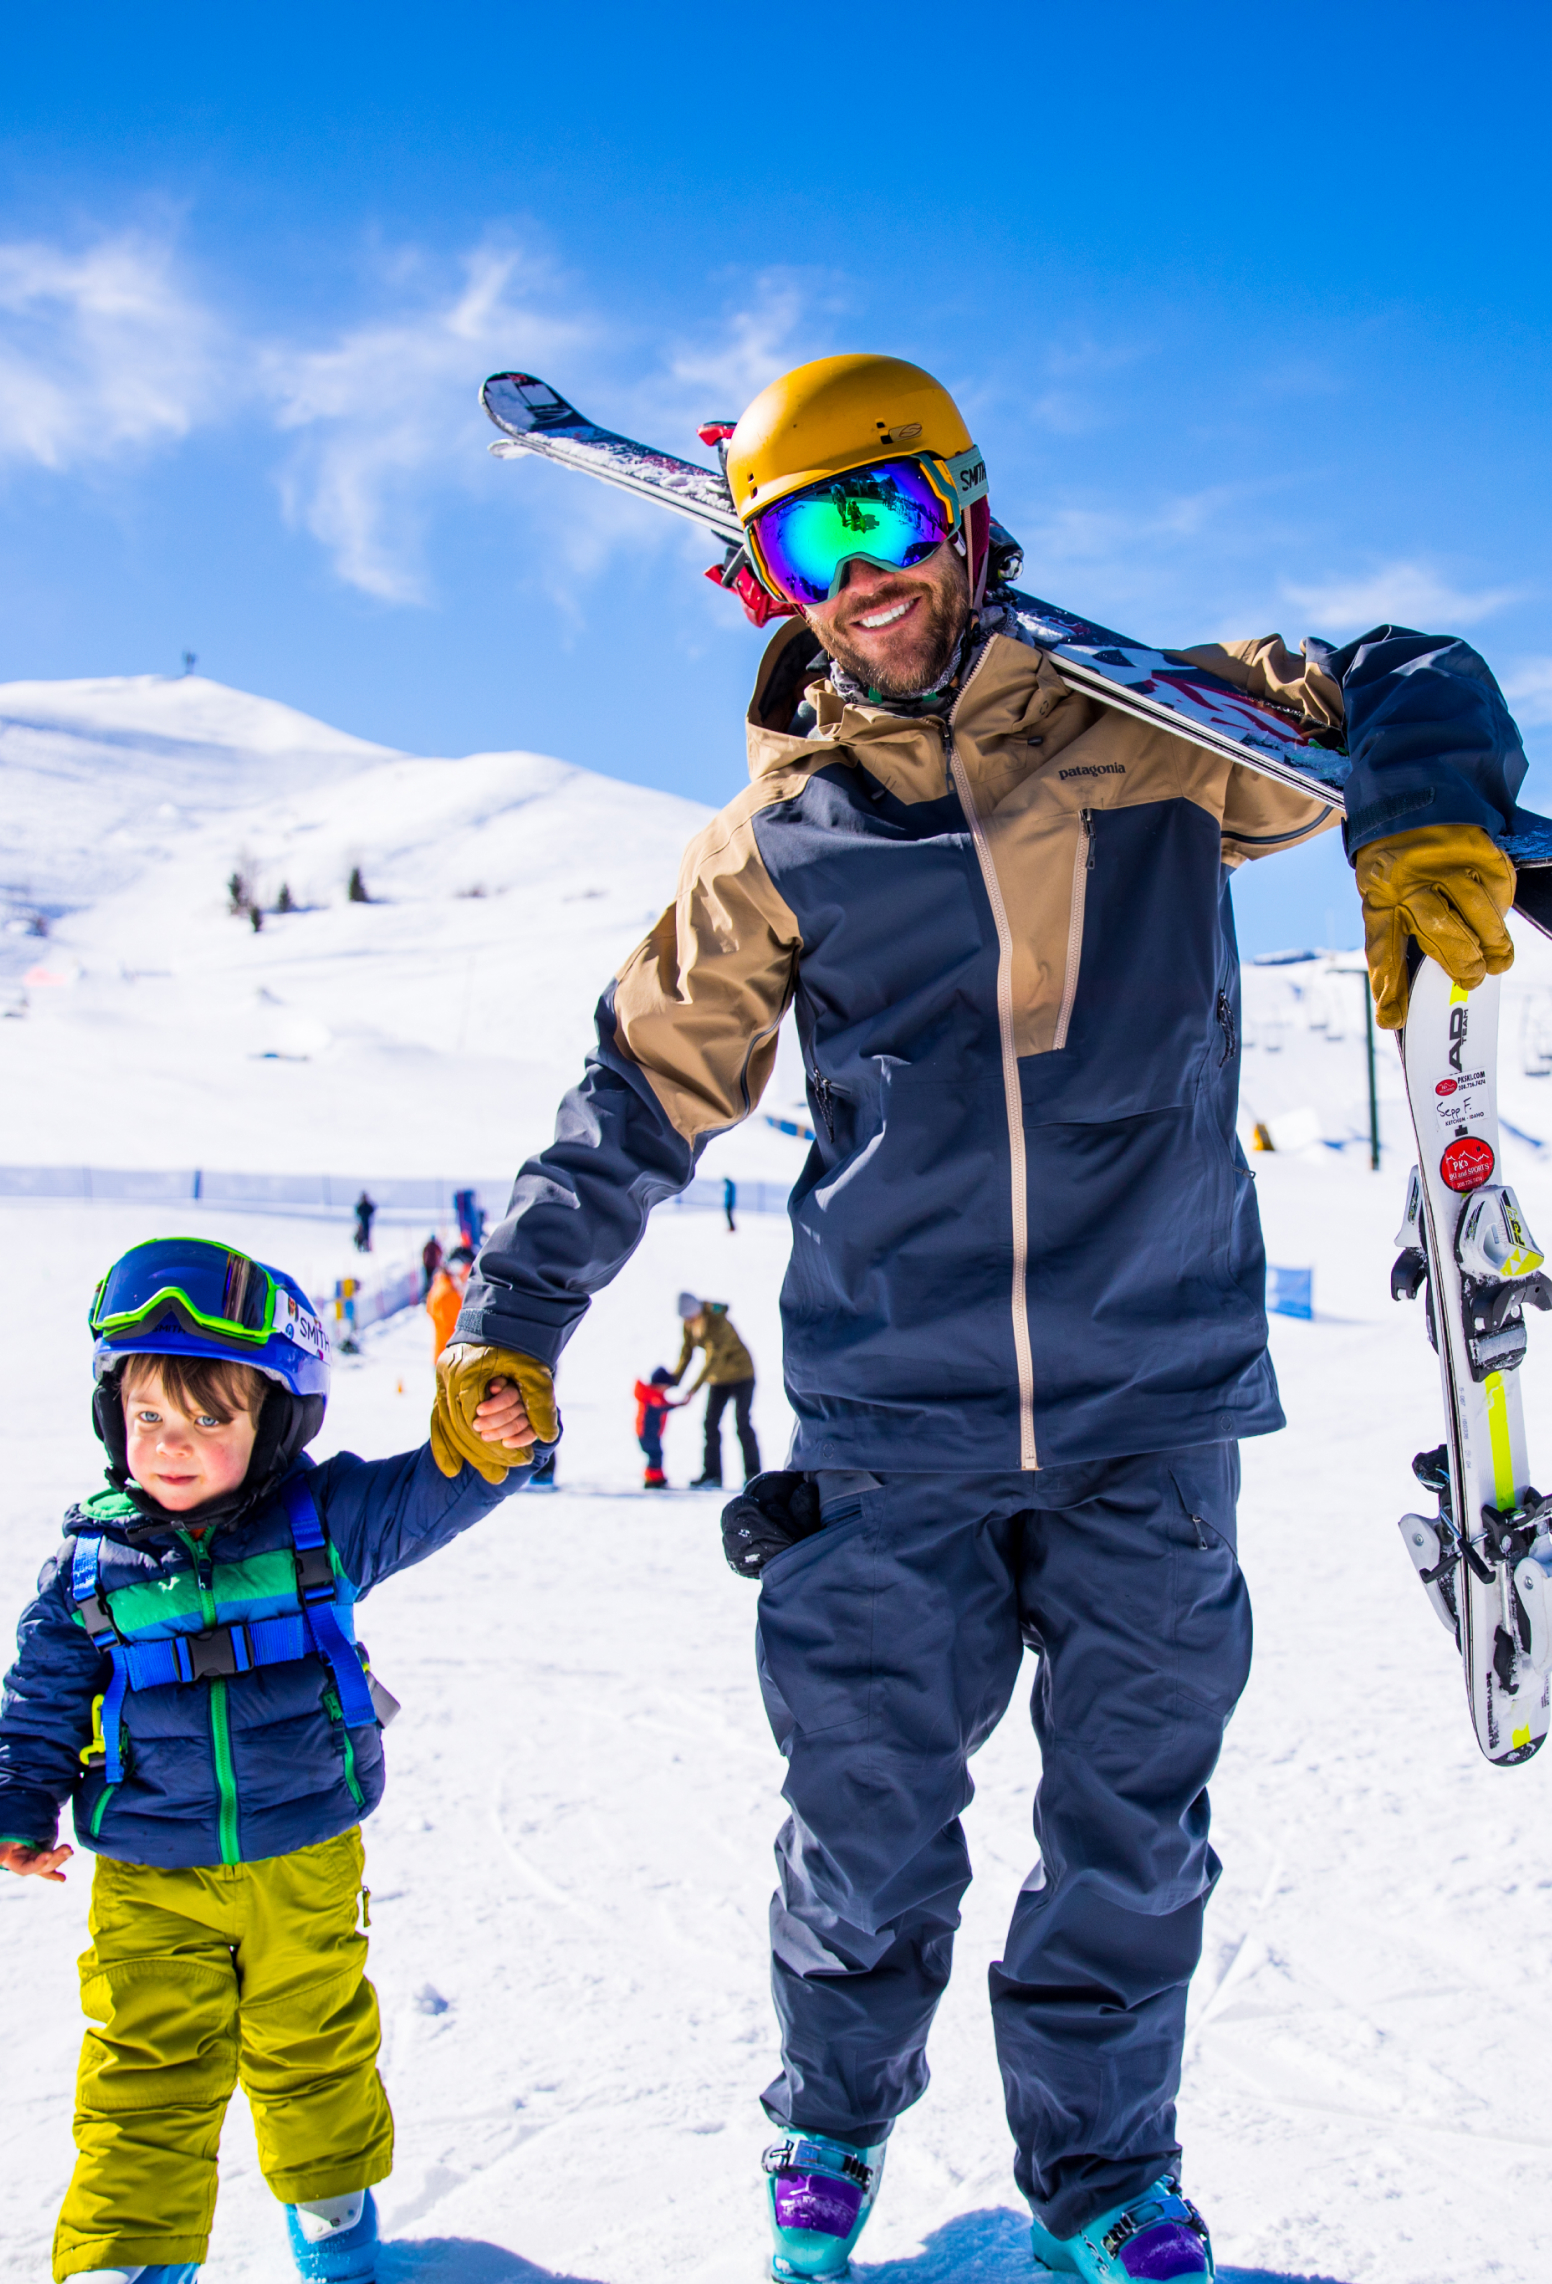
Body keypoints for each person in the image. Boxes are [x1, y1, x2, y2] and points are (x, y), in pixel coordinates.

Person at [438, 353, 1524, 2283]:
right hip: (888, 1425)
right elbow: (635, 1096)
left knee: (1130, 1834)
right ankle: (829, 2121)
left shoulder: (1159, 733)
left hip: (1150, 1402)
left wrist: (1418, 808)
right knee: (863, 1826)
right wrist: (515, 1313)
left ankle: (1102, 2175)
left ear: (961, 509)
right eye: (805, 532)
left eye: (888, 511)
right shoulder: (776, 841)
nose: (862, 568)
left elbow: (1405, 667)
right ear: (761, 575)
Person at [0, 1236, 541, 2284]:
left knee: (314, 2041)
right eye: (148, 1414)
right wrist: (19, 1803)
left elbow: (436, 1492)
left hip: (302, 1857)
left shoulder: (322, 1526)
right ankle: (127, 2254)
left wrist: (486, 1438)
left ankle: (332, 2203)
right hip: (151, 1877)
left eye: (211, 1418)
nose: (172, 1443)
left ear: (276, 1424)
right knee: (144, 2067)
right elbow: (40, 1700)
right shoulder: (87, 1568)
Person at [668, 1293, 760, 1490]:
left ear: (697, 1311)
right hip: (719, 1379)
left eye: (690, 1318)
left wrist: (693, 1389)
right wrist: (672, 1380)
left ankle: (753, 1474)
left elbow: (713, 1359)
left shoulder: (717, 1322)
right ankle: (712, 1475)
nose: (689, 1322)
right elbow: (687, 1352)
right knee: (710, 1424)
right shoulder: (690, 1324)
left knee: (742, 1423)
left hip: (742, 1374)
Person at [426, 1243, 475, 1361]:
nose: (467, 1279)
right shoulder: (447, 1294)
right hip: (450, 1361)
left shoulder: (444, 1284)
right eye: (466, 1272)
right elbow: (463, 1329)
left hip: (449, 1358)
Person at [634, 1365, 677, 1489]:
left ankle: (657, 1477)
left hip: (652, 1433)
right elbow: (660, 1407)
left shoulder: (653, 1395)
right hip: (646, 1433)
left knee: (656, 1454)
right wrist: (676, 1405)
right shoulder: (651, 1396)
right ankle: (652, 1479)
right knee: (655, 1455)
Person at [420, 1232, 443, 1299]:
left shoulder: (428, 1245)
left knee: (428, 1280)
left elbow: (423, 1253)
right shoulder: (434, 1245)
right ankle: (429, 1294)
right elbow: (441, 1252)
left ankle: (427, 1294)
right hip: (431, 1265)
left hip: (427, 1265)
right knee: (432, 1280)